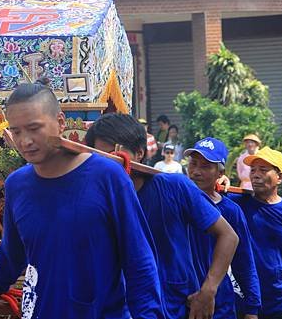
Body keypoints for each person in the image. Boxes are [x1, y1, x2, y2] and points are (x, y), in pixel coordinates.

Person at [0, 81, 164, 319]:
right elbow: (12, 254)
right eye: (16, 131)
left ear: (60, 122)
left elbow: (139, 261)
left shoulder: (107, 177)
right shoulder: (17, 185)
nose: (25, 141)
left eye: (34, 128)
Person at [85, 113, 239, 319]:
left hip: (176, 308)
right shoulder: (97, 199)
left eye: (111, 156)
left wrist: (208, 290)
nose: (103, 166)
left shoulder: (173, 187)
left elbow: (229, 236)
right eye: (98, 157)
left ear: (139, 153)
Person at [185, 137, 261, 319]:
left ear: (220, 173)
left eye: (205, 166)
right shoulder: (175, 202)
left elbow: (244, 261)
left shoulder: (230, 210)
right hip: (181, 299)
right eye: (193, 164)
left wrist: (252, 308)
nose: (196, 172)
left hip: (219, 303)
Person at [230, 147, 282, 319]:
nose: (256, 175)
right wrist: (222, 182)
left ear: (279, 177)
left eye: (263, 170)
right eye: (253, 170)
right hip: (245, 302)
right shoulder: (238, 204)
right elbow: (210, 196)